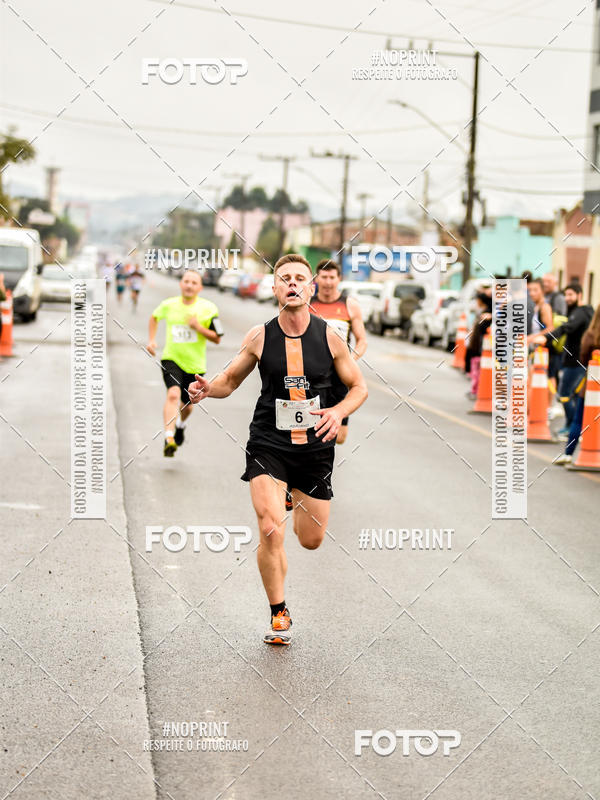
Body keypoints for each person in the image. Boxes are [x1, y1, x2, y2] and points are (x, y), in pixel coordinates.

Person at [187, 254, 367, 646]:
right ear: (274, 288)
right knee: (270, 527)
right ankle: (278, 611)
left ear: (311, 288)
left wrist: (337, 413)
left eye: (300, 278)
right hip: (268, 442)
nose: (293, 284)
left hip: (315, 446)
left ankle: (293, 495)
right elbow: (230, 379)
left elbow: (359, 387)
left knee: (311, 539)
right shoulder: (260, 335)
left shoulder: (331, 337)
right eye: (284, 278)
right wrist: (206, 389)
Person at [147, 269, 223, 457]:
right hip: (171, 358)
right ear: (180, 284)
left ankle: (180, 425)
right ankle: (169, 438)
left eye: (193, 282)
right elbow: (154, 317)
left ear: (200, 287)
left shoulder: (209, 308)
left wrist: (198, 327)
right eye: (186, 281)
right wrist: (151, 340)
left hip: (196, 365)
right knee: (173, 394)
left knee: (187, 406)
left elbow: (217, 338)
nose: (189, 285)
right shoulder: (169, 304)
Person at [309, 258, 367, 445]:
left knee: (340, 437)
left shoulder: (350, 305)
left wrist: (350, 360)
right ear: (316, 280)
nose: (327, 282)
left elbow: (362, 341)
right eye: (323, 277)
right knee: (311, 424)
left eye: (331, 277)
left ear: (339, 279)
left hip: (338, 374)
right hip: (312, 372)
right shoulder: (308, 303)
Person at [538, 284, 593, 437]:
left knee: (564, 394)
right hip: (578, 361)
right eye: (566, 295)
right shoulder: (584, 312)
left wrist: (545, 336)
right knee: (574, 395)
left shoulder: (580, 313)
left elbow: (565, 328)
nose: (567, 298)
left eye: (570, 295)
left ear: (579, 295)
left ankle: (572, 427)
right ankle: (576, 427)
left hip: (575, 361)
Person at [554, 304, 600, 465]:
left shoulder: (590, 335)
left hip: (590, 386)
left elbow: (583, 356)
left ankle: (568, 453)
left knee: (578, 421)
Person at [465, 292, 492, 400]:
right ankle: (475, 390)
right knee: (476, 370)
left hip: (480, 349)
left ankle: (476, 390)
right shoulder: (484, 313)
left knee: (477, 370)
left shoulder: (487, 315)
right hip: (476, 347)